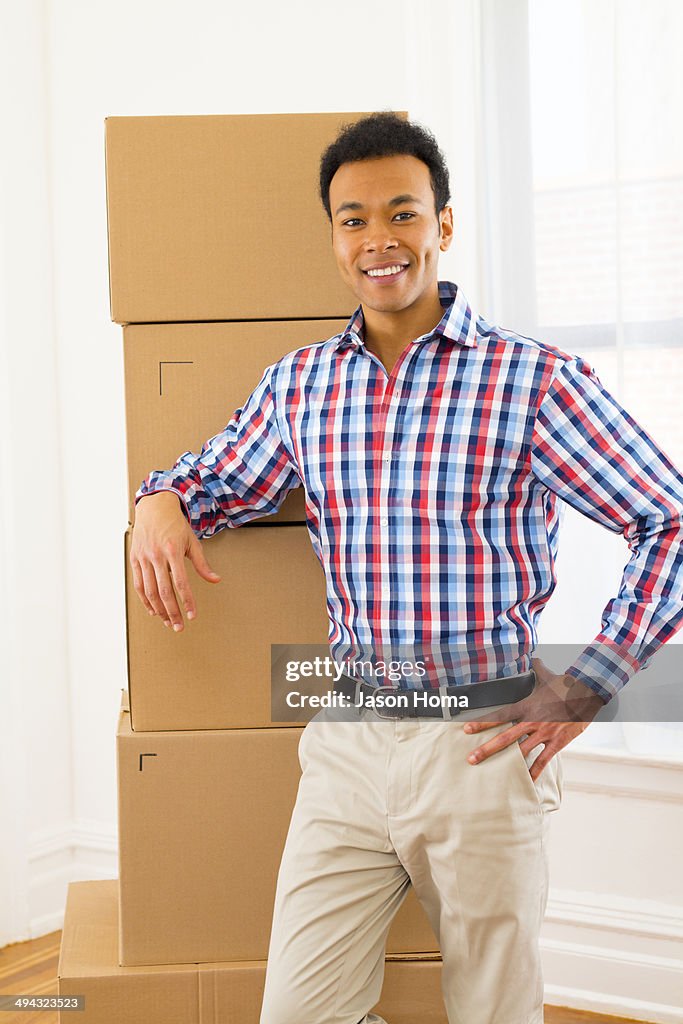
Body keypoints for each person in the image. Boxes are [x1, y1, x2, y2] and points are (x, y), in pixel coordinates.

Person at [130, 113, 683, 1024]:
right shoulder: (301, 384)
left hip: (478, 739)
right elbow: (216, 480)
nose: (378, 239)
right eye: (353, 219)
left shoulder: (531, 380)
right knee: (300, 1012)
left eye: (402, 213)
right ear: (333, 237)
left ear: (444, 225)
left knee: (491, 1009)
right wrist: (157, 498)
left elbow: (667, 518)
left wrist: (591, 683)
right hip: (347, 736)